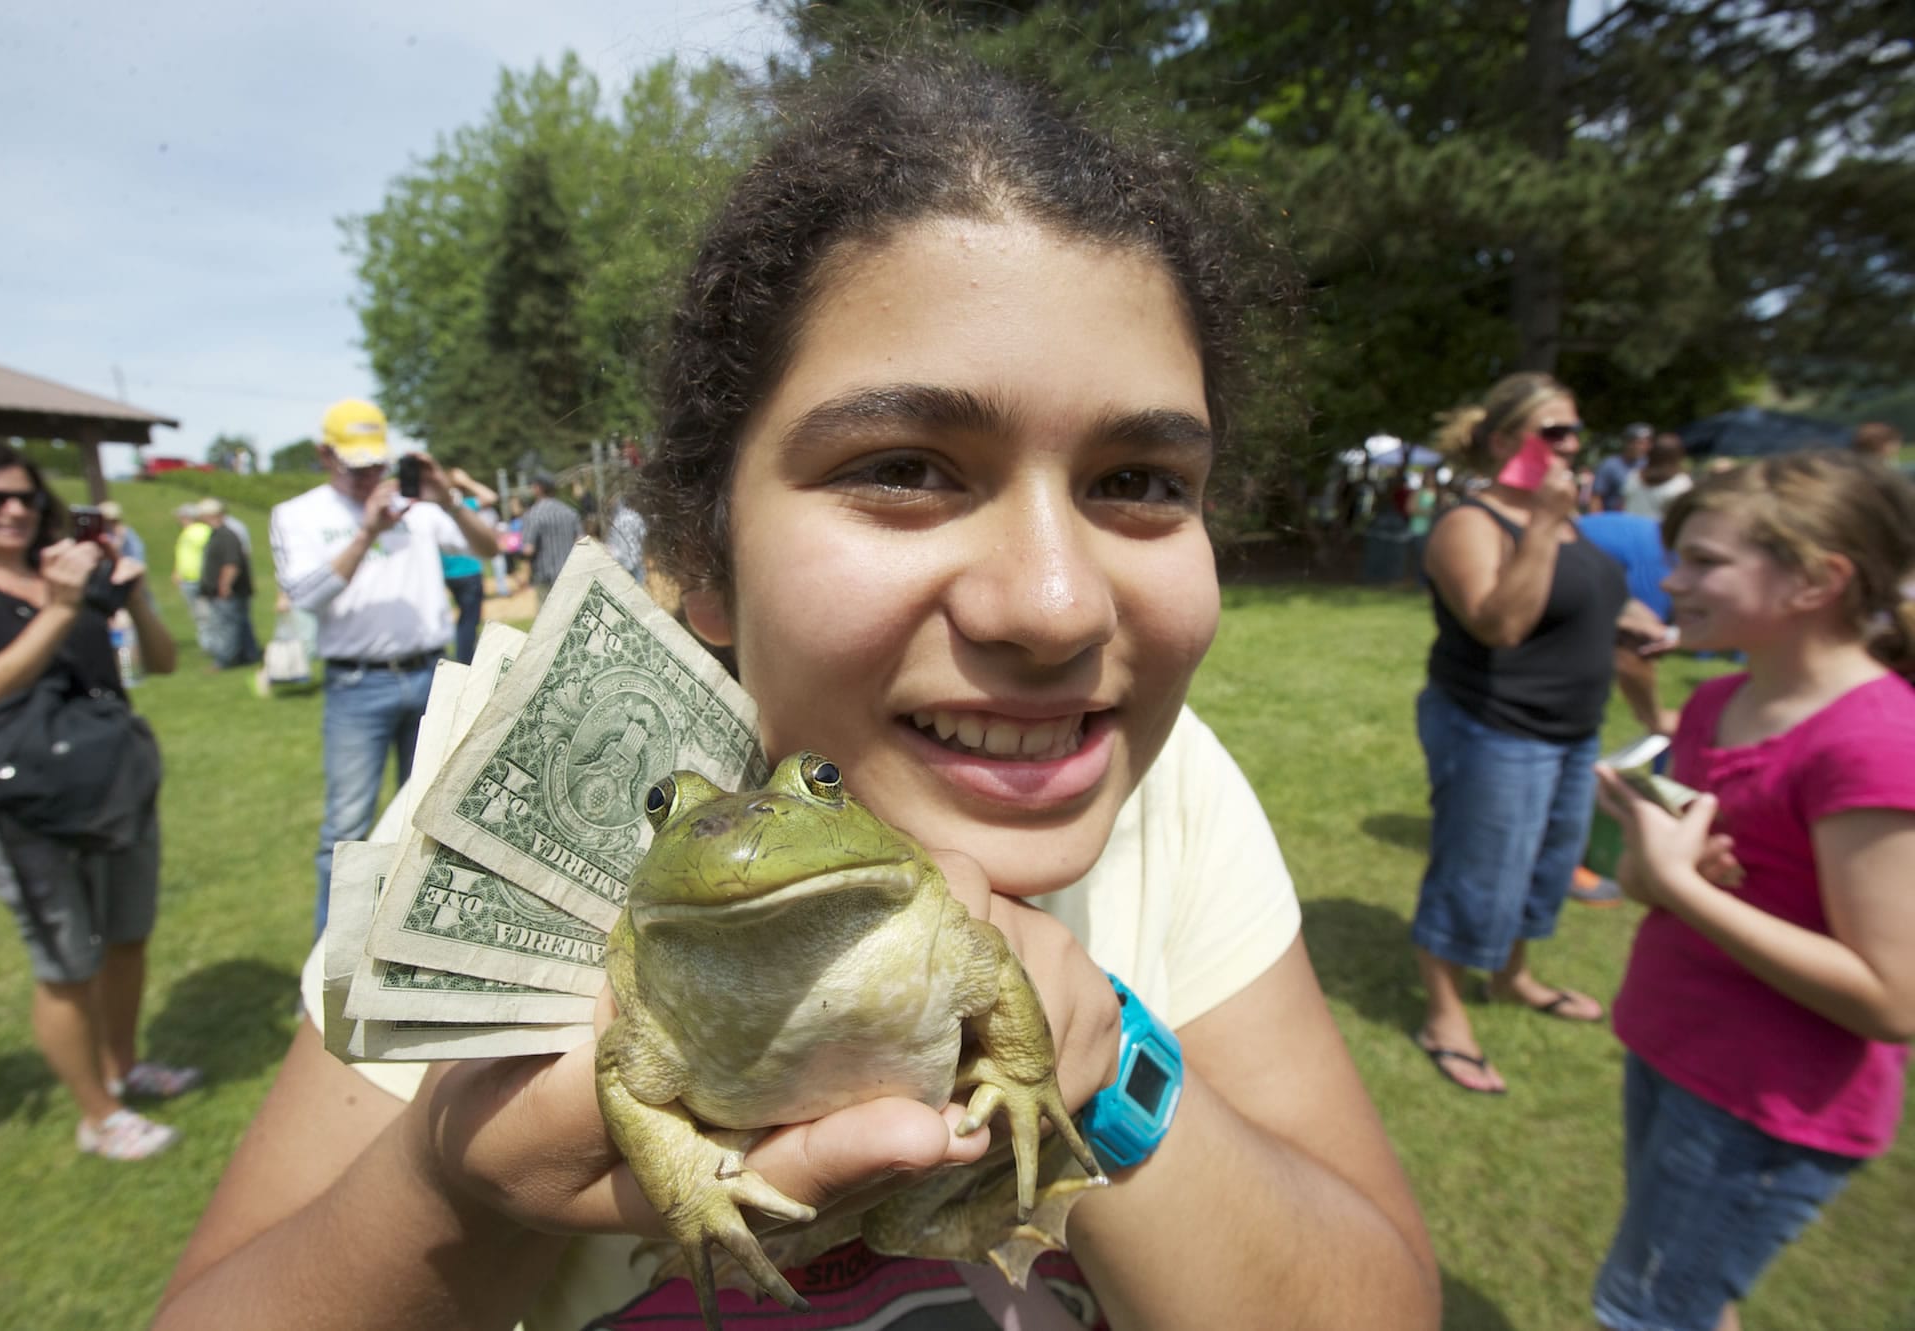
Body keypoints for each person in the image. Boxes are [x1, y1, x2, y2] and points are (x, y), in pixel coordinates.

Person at [158, 57, 1440, 1331]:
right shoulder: (492, 873)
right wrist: (457, 1183)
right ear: (702, 557)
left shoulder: (1172, 790)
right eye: (901, 464)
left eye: (1144, 479)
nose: (1056, 604)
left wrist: (1103, 1077)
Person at [1590, 450, 1915, 1331]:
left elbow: (1893, 999)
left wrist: (1685, 890)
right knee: (1677, 1297)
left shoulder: (1874, 745)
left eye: (1703, 561)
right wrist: (1663, 865)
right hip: (1677, 1049)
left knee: (1645, 1308)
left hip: (1769, 1101)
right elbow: (1645, 882)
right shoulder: (1712, 706)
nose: (1671, 581)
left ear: (1817, 579)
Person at [0, 439, 197, 1161]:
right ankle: (98, 1113)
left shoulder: (65, 572)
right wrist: (62, 606)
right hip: (29, 801)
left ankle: (124, 1065)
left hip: (113, 780)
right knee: (67, 961)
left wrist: (129, 594)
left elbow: (161, 661)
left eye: (25, 496)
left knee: (129, 934)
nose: (13, 509)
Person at [1411, 372, 1637, 1095]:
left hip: (1572, 729)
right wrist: (1540, 524)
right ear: (1507, 441)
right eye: (1555, 432)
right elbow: (1500, 623)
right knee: (1475, 872)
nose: (1573, 445)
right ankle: (1444, 1016)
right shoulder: (1470, 524)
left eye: (1576, 431)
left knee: (1547, 867)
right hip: (1496, 728)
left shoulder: (1569, 520)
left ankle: (1512, 977)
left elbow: (1592, 603)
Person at [269, 399, 501, 934]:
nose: (371, 475)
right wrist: (366, 533)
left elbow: (489, 548)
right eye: (357, 466)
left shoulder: (417, 509)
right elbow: (305, 596)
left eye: (378, 463)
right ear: (325, 455)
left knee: (425, 819)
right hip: (358, 685)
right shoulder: (300, 514)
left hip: (430, 673)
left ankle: (406, 944)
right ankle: (329, 960)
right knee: (346, 830)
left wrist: (448, 498)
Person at [441, 468, 499, 661]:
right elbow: (490, 496)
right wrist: (468, 481)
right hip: (469, 570)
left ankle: (463, 655)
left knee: (464, 617)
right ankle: (465, 659)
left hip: (449, 574)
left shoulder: (438, 511)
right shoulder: (463, 507)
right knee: (469, 619)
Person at [196, 497, 259, 670]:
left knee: (226, 626)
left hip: (228, 592)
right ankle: (249, 655)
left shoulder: (227, 535)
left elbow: (231, 564)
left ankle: (224, 660)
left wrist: (225, 585)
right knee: (239, 624)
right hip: (226, 591)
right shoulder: (219, 534)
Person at [517, 471, 583, 594]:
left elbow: (528, 549)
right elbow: (581, 541)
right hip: (570, 573)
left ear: (538, 488)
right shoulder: (570, 512)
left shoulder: (534, 514)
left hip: (545, 577)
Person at [1620, 433, 1692, 520]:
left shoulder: (1633, 476)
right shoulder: (1681, 482)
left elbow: (1622, 506)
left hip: (1631, 530)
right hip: (1660, 531)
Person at [171, 502, 211, 634]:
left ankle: (211, 644)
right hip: (188, 579)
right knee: (198, 615)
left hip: (199, 579)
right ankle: (207, 642)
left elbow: (209, 553)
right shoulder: (186, 532)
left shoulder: (200, 530)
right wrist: (177, 571)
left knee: (204, 615)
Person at [1593, 423, 1652, 512]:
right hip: (1612, 519)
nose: (1642, 447)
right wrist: (1596, 523)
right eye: (1639, 443)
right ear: (1628, 443)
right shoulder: (1610, 465)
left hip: (1639, 520)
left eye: (1646, 443)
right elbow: (1596, 497)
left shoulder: (1649, 465)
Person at [605, 490, 647, 585]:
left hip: (621, 562)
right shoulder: (637, 517)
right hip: (636, 561)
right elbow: (643, 535)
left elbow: (612, 542)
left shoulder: (617, 520)